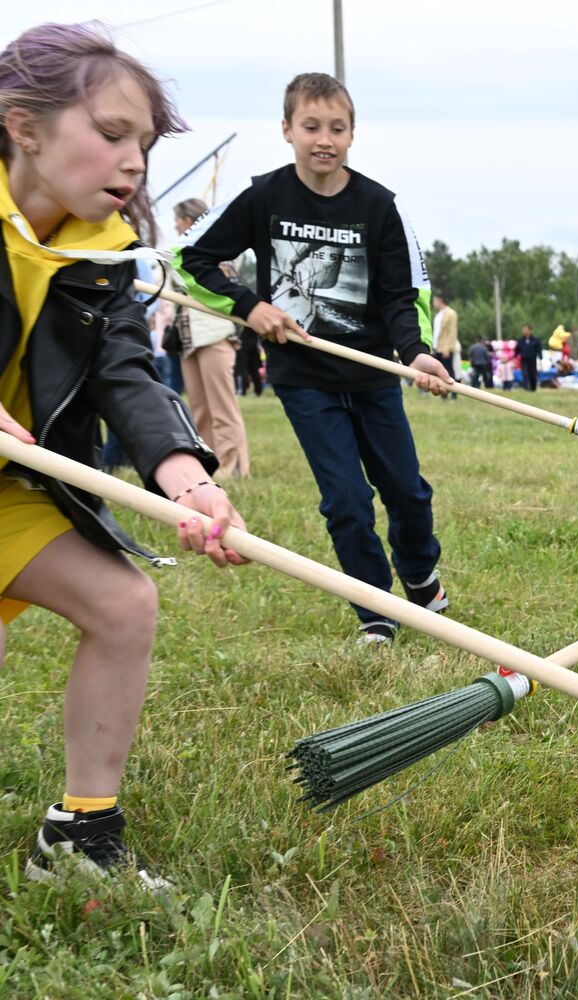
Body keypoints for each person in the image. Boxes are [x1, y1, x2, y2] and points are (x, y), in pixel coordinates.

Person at [0, 22, 247, 887]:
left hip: (13, 485)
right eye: (111, 134)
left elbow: (126, 376)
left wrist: (189, 480)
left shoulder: (100, 250)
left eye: (141, 140)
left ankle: (79, 838)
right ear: (23, 125)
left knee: (124, 605)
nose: (135, 160)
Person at [175, 71, 451, 645]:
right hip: (305, 380)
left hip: (374, 375)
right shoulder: (263, 196)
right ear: (286, 130)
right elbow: (191, 257)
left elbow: (404, 294)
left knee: (407, 490)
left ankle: (421, 577)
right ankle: (376, 612)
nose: (323, 138)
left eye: (337, 127)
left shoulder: (379, 206)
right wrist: (250, 306)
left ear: (353, 134)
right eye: (310, 126)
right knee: (346, 500)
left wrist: (417, 353)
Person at [172, 199, 251, 478]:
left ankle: (234, 466)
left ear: (191, 220)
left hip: (215, 335)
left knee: (222, 407)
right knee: (200, 409)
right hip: (188, 339)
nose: (174, 226)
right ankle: (212, 463)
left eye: (178, 220)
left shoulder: (215, 251)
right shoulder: (178, 253)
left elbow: (227, 289)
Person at [432, 291, 460, 401]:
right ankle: (443, 394)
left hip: (445, 348)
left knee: (450, 372)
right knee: (439, 372)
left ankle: (454, 394)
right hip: (437, 347)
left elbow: (452, 332)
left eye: (434, 300)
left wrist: (447, 348)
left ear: (440, 300)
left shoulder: (451, 313)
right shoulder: (438, 314)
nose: (433, 303)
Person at [514, 323, 542, 391]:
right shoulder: (520, 340)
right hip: (524, 360)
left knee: (532, 374)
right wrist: (515, 358)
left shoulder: (535, 340)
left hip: (532, 360)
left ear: (530, 330)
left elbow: (538, 349)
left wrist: (540, 358)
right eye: (523, 330)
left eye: (526, 329)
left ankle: (533, 388)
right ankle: (526, 388)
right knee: (525, 374)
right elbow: (517, 350)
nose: (524, 331)